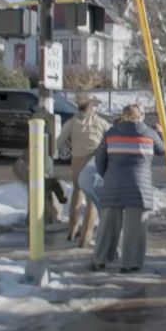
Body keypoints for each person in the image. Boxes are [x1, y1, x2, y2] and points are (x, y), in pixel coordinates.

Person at [91, 105, 165, 273]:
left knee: (107, 226)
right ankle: (129, 263)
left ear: (123, 116)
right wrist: (159, 132)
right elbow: (162, 150)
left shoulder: (111, 133)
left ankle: (101, 259)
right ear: (140, 117)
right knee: (135, 228)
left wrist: (108, 176)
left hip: (113, 185)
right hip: (139, 188)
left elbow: (99, 158)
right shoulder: (149, 133)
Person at [58, 96, 110, 246]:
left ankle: (72, 230)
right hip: (94, 161)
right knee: (91, 199)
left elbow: (60, 141)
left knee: (76, 194)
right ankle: (86, 236)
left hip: (77, 160)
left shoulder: (72, 122)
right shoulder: (101, 122)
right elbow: (110, 137)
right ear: (92, 109)